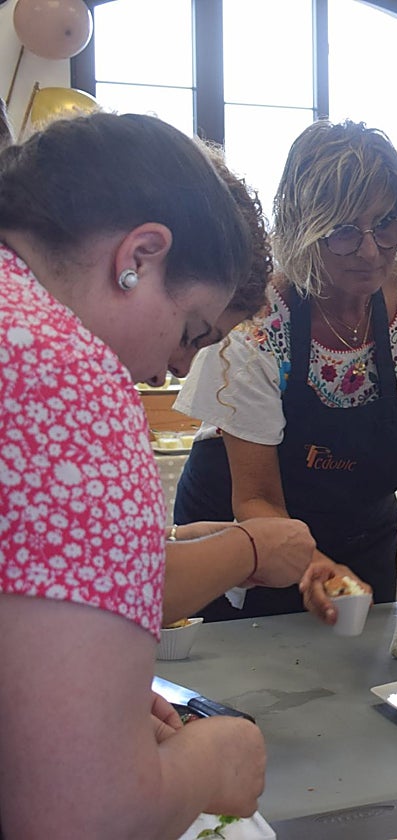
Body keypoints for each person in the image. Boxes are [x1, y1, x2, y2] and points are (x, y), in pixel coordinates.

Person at [0, 111, 276, 837]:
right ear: (140, 256)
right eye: (190, 330)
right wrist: (210, 762)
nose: (163, 370)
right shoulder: (63, 374)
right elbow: (77, 818)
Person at [173, 120, 397, 623]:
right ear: (302, 228)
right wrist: (314, 567)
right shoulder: (257, 319)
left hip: (364, 539)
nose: (370, 249)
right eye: (342, 232)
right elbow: (255, 496)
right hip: (246, 545)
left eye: (386, 224)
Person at [159, 148, 316, 624]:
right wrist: (247, 545)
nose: (174, 370)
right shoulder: (48, 370)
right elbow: (113, 589)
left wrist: (181, 543)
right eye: (191, 334)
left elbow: (94, 555)